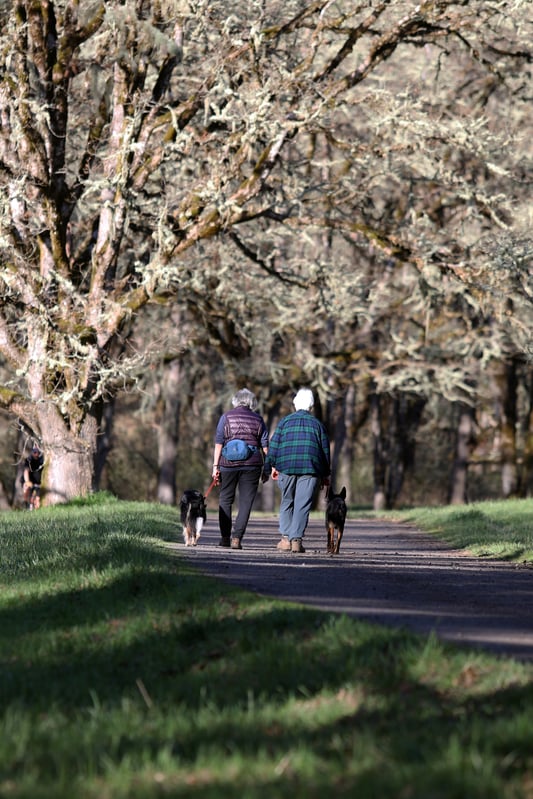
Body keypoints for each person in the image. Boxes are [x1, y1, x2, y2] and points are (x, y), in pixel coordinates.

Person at [267, 388, 331, 553]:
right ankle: (296, 540)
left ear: (295, 404)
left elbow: (273, 446)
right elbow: (325, 451)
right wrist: (325, 474)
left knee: (287, 501)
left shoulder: (284, 422)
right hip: (310, 468)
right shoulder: (318, 425)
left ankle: (285, 540)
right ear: (311, 406)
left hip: (286, 467)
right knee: (302, 504)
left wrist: (271, 466)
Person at [212, 388, 269, 550]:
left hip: (228, 463)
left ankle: (224, 538)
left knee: (225, 499)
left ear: (235, 401)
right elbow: (265, 446)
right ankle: (236, 538)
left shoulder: (226, 417)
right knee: (245, 503)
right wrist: (266, 468)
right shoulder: (258, 419)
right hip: (252, 464)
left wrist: (215, 466)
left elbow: (219, 443)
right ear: (252, 402)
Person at [23, 445, 44, 509]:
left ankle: (35, 507)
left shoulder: (42, 460)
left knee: (37, 499)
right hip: (30, 482)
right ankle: (26, 505)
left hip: (39, 483)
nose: (36, 453)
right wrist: (27, 481)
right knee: (26, 490)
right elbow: (26, 471)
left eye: (37, 452)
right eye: (34, 452)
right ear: (32, 452)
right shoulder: (29, 460)